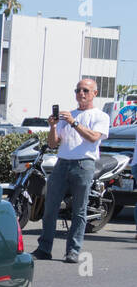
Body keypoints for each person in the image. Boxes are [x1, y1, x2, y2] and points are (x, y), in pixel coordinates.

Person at [32, 78, 109, 262]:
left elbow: (93, 137)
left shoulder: (100, 116)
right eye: (77, 90)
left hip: (84, 164)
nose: (81, 94)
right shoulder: (67, 116)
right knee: (50, 207)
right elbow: (53, 143)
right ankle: (44, 248)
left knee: (79, 210)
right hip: (62, 162)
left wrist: (74, 123)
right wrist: (52, 126)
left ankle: (73, 251)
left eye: (85, 90)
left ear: (94, 94)